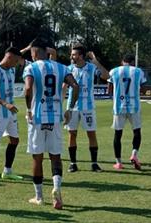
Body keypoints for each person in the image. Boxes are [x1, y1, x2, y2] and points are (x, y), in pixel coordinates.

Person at [24, 38, 79, 209]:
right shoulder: (62, 67)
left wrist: (28, 109)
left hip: (37, 118)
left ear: (35, 51)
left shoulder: (31, 68)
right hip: (55, 118)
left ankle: (39, 196)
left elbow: (27, 89)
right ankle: (56, 189)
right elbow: (75, 86)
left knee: (37, 157)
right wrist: (69, 108)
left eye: (32, 52)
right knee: (55, 157)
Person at [63, 43, 109, 173]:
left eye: (74, 54)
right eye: (71, 54)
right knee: (72, 134)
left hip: (88, 107)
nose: (71, 56)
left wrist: (95, 60)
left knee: (91, 134)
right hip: (72, 107)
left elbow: (106, 76)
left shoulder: (92, 67)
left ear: (81, 56)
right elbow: (63, 86)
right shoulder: (68, 69)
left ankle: (94, 163)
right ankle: (73, 163)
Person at [0, 46, 23, 184]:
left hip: (11, 112)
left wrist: (26, 48)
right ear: (9, 57)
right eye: (15, 60)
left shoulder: (11, 69)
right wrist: (5, 104)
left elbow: (19, 53)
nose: (16, 63)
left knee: (14, 140)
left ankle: (7, 171)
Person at [108, 54, 147, 170]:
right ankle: (134, 154)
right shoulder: (138, 71)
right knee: (137, 131)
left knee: (118, 134)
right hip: (134, 106)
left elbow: (109, 89)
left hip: (119, 107)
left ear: (122, 61)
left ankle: (118, 162)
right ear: (132, 62)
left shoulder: (114, 71)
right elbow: (144, 89)